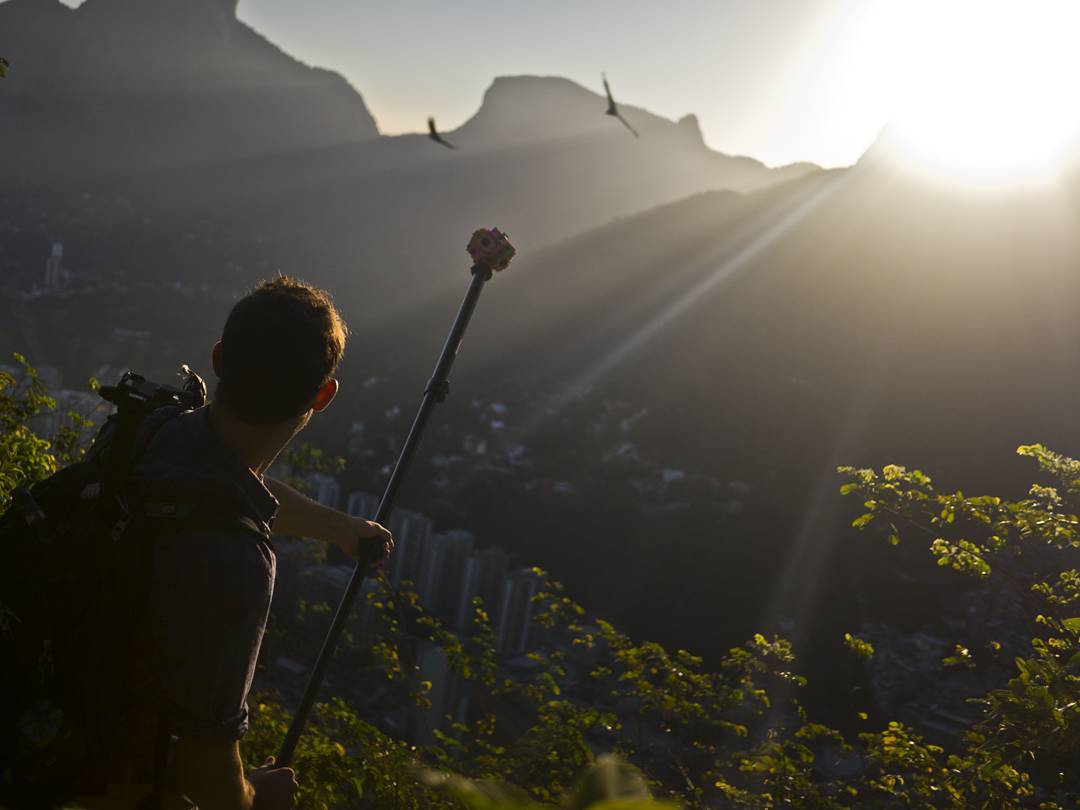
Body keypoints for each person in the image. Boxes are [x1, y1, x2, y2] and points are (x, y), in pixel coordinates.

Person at [77, 276, 393, 809]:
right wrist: (255, 796)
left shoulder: (148, 426)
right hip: (93, 777)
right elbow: (206, 768)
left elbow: (218, 484)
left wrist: (336, 526)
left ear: (219, 359)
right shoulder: (235, 564)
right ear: (323, 395)